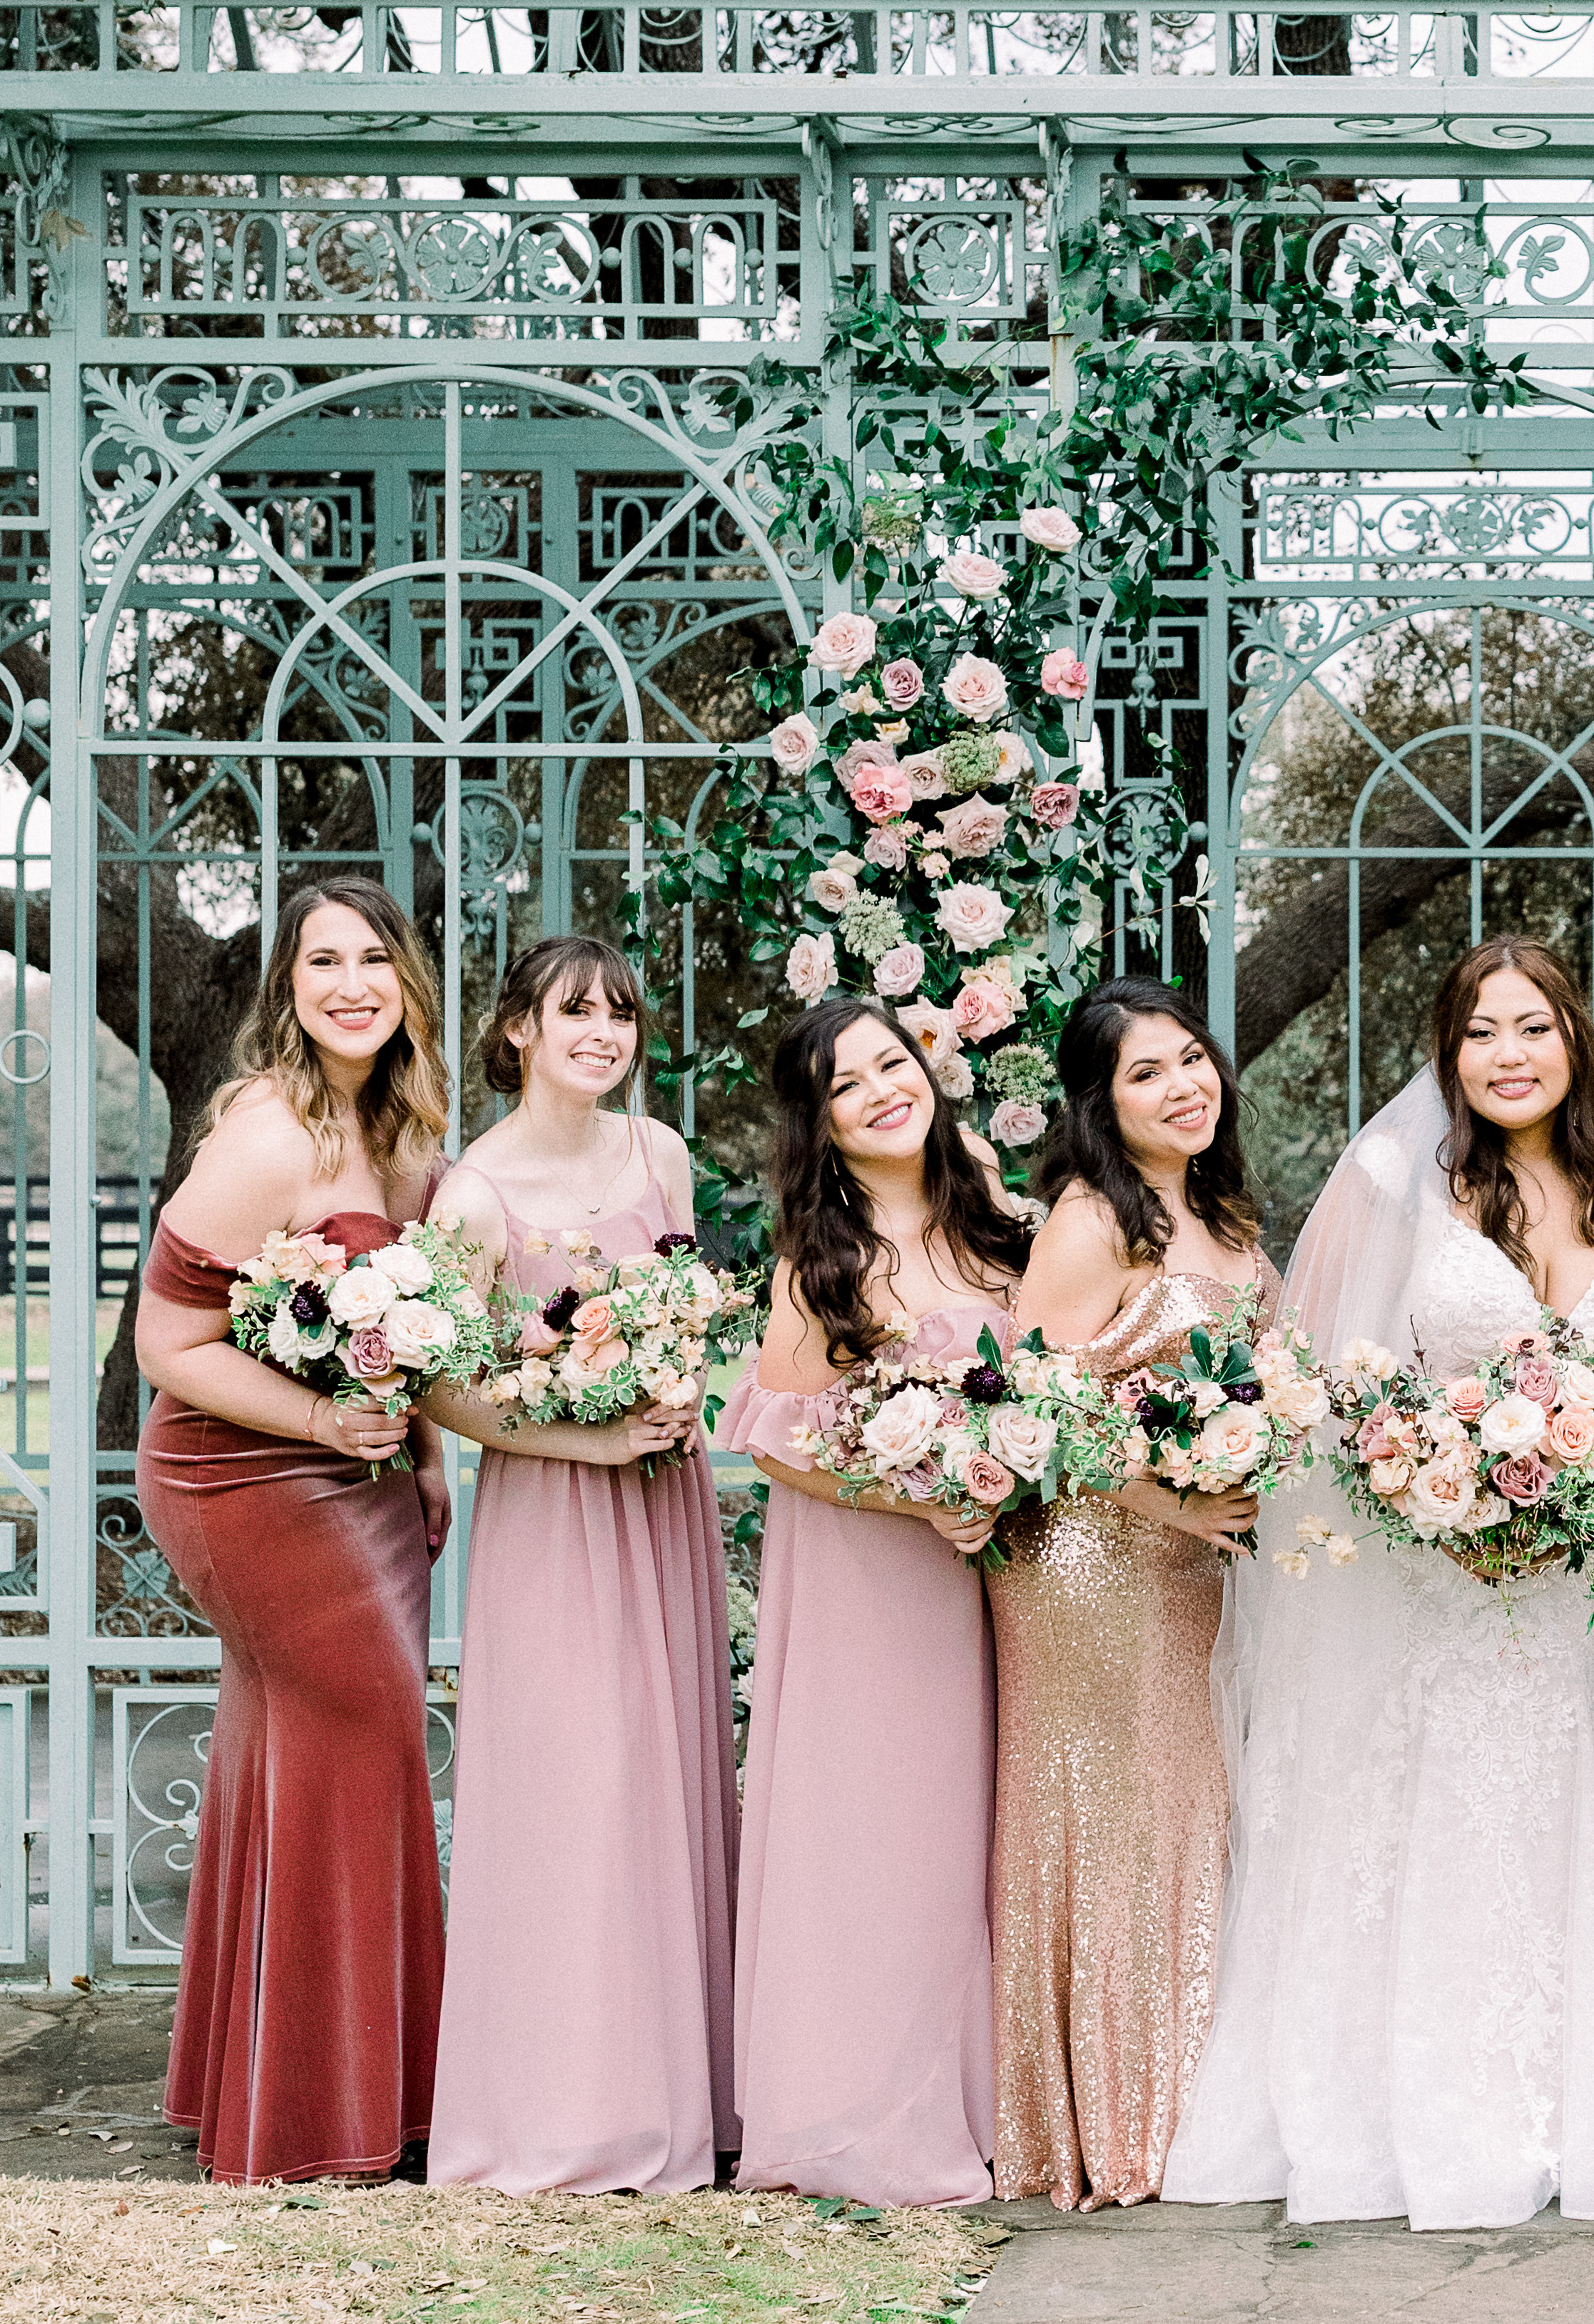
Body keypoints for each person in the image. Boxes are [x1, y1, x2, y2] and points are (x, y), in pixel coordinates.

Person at [1162, 935, 1594, 2231]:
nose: (1509, 1053)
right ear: (1449, 1053)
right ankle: (1411, 2100)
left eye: (1533, 1026)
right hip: (1423, 1563)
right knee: (1418, 1803)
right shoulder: (1403, 1179)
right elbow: (1324, 1376)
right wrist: (1423, 1486)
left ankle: (1562, 2092)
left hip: (1553, 1573)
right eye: (1483, 1030)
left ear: (1575, 1042)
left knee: (1545, 1796)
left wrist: (1583, 1494)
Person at [133, 876, 453, 2184]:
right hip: (237, 1476)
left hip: (364, 1476)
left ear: (410, 984)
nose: (350, 984)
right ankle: (330, 2114)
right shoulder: (270, 1133)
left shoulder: (414, 1131)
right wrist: (328, 1434)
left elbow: (410, 1327)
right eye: (322, 962)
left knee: (301, 1750)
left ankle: (268, 2087)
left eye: (374, 959)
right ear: (290, 989)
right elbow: (166, 1341)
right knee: (368, 1731)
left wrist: (421, 1450)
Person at [420, 938, 737, 2194]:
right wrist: (586, 1433)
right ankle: (556, 2110)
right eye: (574, 1012)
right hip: (554, 1508)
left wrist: (669, 1391)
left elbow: (689, 1306)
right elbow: (442, 1384)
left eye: (620, 1013)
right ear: (517, 1032)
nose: (602, 1033)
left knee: (663, 1774)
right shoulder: (470, 1196)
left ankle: (679, 2094)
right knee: (575, 1792)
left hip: (662, 1501)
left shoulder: (660, 1156)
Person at [724, 998, 1029, 2205]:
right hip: (867, 1580)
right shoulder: (824, 1259)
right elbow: (776, 1440)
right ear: (822, 1122)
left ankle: (982, 2095)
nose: (880, 1091)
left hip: (986, 1577)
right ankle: (854, 2108)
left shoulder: (1000, 1232)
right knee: (874, 1838)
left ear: (928, 1072)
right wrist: (918, 1495)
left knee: (968, 1839)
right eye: (847, 1085)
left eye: (892, 1064)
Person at [988, 979, 1274, 2211]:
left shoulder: (1224, 1215)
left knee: (1186, 1818)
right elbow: (1031, 1401)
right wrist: (1167, 1500)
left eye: (1193, 1059)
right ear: (1101, 1102)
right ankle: (1109, 2119)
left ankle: (1189, 2100)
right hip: (1090, 1563)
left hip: (1192, 1558)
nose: (1184, 1085)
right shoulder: (1092, 1219)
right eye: (1147, 1072)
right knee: (1112, 1825)